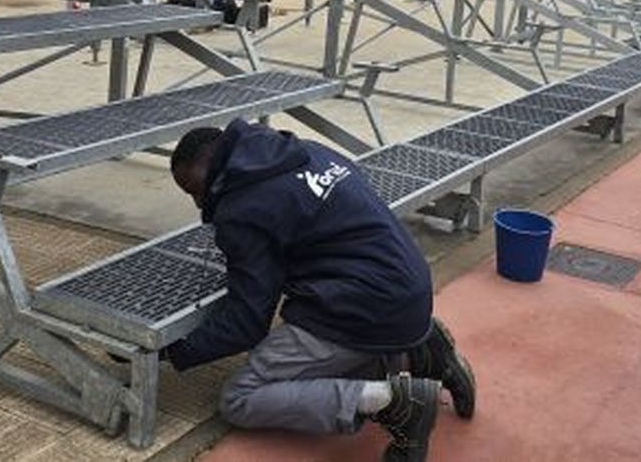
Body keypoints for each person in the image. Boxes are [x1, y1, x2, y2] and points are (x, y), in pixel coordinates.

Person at [165, 120, 476, 462]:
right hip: (409, 286)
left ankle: (395, 403)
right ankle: (424, 354)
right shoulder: (305, 150)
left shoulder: (240, 209)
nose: (199, 204)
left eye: (195, 190)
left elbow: (247, 326)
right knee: (327, 372)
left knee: (240, 397)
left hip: (364, 307)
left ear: (210, 168)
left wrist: (173, 351)